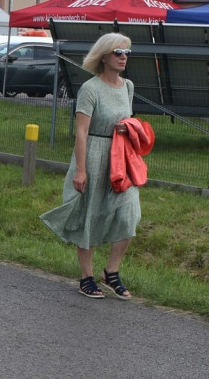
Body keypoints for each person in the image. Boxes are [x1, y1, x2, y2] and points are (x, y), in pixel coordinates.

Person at [40, 32, 138, 300]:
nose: (123, 57)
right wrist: (81, 170)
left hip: (119, 158)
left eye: (127, 52)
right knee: (89, 215)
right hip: (93, 154)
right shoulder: (90, 89)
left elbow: (128, 121)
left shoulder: (128, 86)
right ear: (104, 56)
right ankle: (86, 277)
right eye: (118, 52)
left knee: (130, 213)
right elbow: (81, 132)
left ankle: (111, 272)